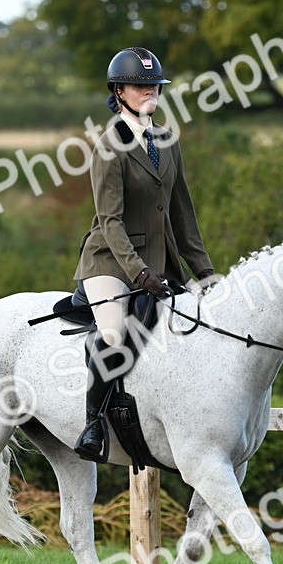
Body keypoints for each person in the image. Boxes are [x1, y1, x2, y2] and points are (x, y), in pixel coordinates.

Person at [71, 46, 215, 463]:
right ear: (119, 92)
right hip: (110, 262)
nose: (150, 91)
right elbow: (110, 221)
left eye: (154, 84)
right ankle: (93, 423)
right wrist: (137, 274)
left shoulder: (166, 141)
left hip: (160, 262)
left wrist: (204, 272)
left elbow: (182, 213)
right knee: (115, 334)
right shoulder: (107, 146)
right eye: (140, 85)